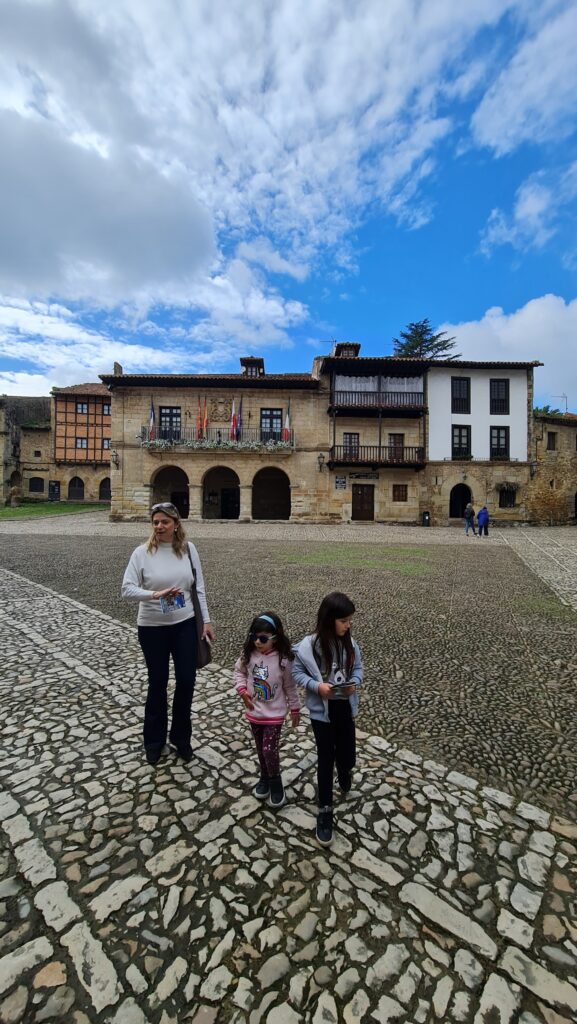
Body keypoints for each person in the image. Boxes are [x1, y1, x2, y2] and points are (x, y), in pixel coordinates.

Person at [122, 502, 215, 766]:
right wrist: (154, 594)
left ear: (176, 524)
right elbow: (126, 589)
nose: (159, 527)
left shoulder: (188, 549)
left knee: (187, 681)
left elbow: (198, 587)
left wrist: (205, 621)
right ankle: (154, 741)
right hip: (152, 628)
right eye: (155, 522)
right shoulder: (141, 553)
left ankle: (181, 737)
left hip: (185, 623)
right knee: (157, 683)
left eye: (164, 522)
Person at [293, 592, 363, 847]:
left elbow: (358, 668)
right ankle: (325, 809)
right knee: (326, 756)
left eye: (350, 620)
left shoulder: (351, 645)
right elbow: (297, 671)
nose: (349, 624)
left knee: (347, 755)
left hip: (344, 708)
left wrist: (355, 682)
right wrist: (315, 686)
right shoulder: (310, 647)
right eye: (344, 620)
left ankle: (344, 770)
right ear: (329, 619)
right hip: (322, 713)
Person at [234, 612, 300, 808]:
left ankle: (275, 782)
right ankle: (264, 776)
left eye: (263, 638)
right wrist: (242, 690)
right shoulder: (249, 655)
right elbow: (239, 671)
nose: (257, 642)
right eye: (253, 637)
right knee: (260, 749)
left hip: (275, 714)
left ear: (275, 638)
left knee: (269, 749)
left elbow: (290, 686)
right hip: (254, 712)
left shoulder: (284, 660)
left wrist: (295, 708)